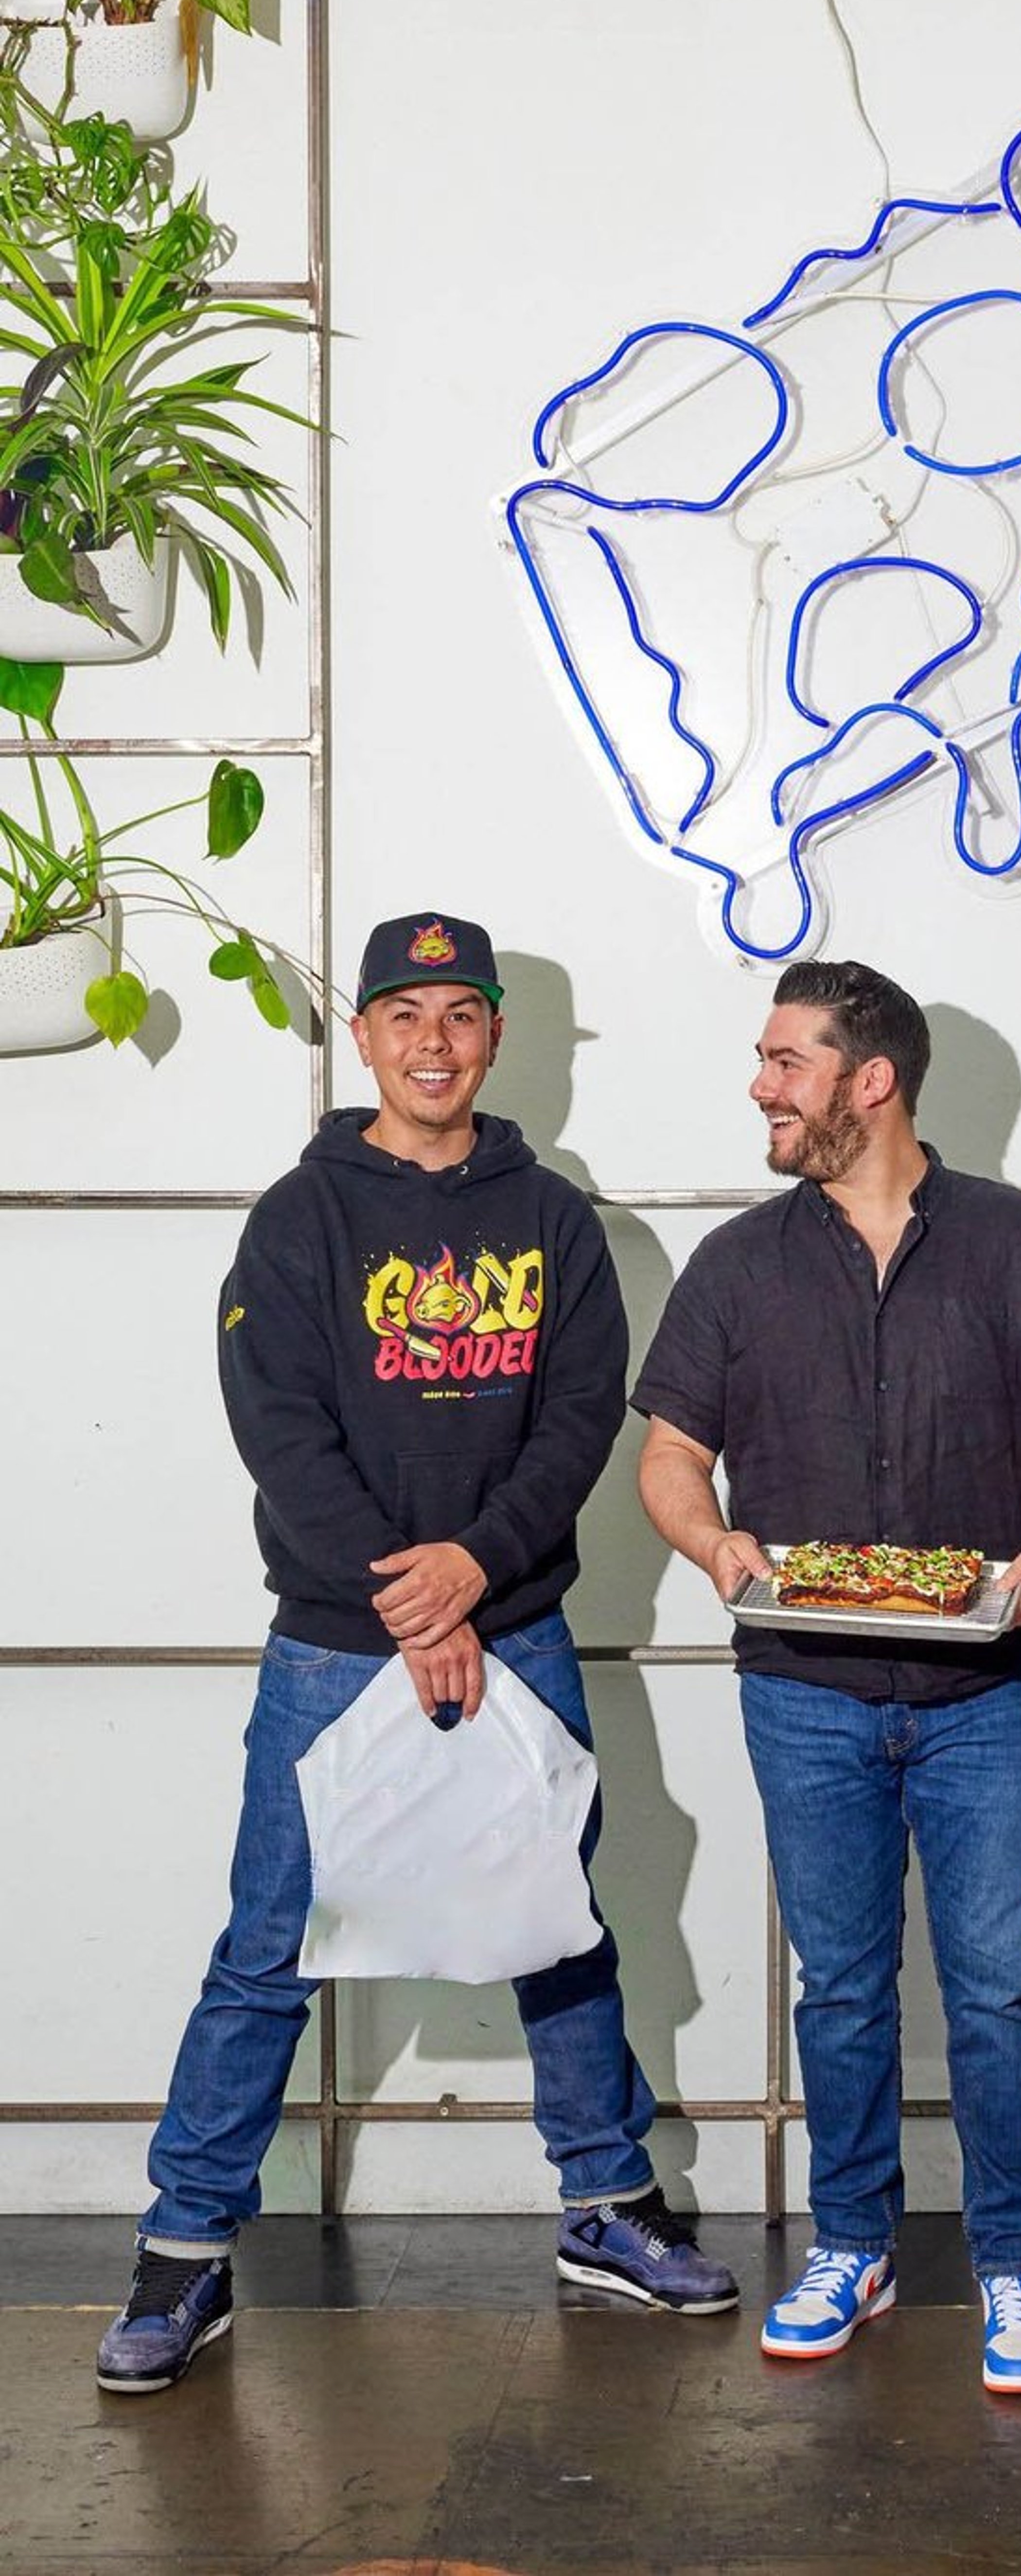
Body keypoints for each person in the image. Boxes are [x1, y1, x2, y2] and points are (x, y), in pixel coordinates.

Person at [95, 911, 738, 2394]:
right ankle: (185, 2246)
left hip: (515, 1626)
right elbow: (282, 1431)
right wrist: (412, 1598)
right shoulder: (299, 1217)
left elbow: (581, 1419)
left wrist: (473, 1576)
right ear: (366, 1037)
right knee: (268, 1947)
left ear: (496, 1035)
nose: (434, 1042)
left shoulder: (555, 1219)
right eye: (406, 1015)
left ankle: (606, 2202)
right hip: (337, 1642)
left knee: (558, 1928)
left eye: (461, 1014)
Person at [634, 960, 1021, 2396]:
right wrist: (714, 1540)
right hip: (803, 1683)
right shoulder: (737, 1265)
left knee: (996, 1992)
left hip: (989, 1688)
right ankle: (853, 2238)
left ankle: (1013, 2261)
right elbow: (670, 1451)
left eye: (786, 1061)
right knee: (842, 1990)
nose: (761, 1085)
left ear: (872, 1081)